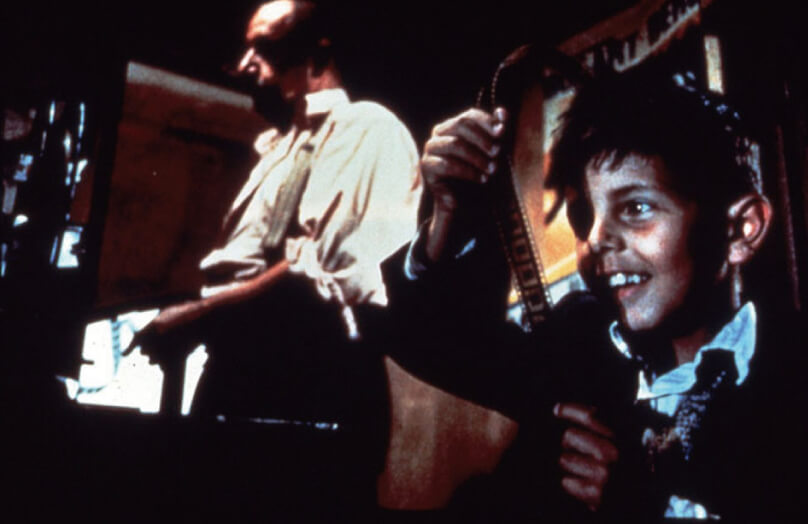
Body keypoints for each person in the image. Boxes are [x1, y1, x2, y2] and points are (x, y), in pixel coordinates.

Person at [374, 62, 807, 522]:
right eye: (583, 217)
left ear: (741, 229)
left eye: (636, 208)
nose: (595, 238)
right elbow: (429, 346)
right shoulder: (576, 340)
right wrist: (447, 216)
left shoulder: (791, 382)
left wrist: (642, 507)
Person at [129, 0, 421, 442]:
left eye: (265, 48)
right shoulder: (279, 150)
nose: (246, 64)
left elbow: (319, 276)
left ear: (317, 56)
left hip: (303, 386)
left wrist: (199, 315)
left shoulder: (366, 128)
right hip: (237, 375)